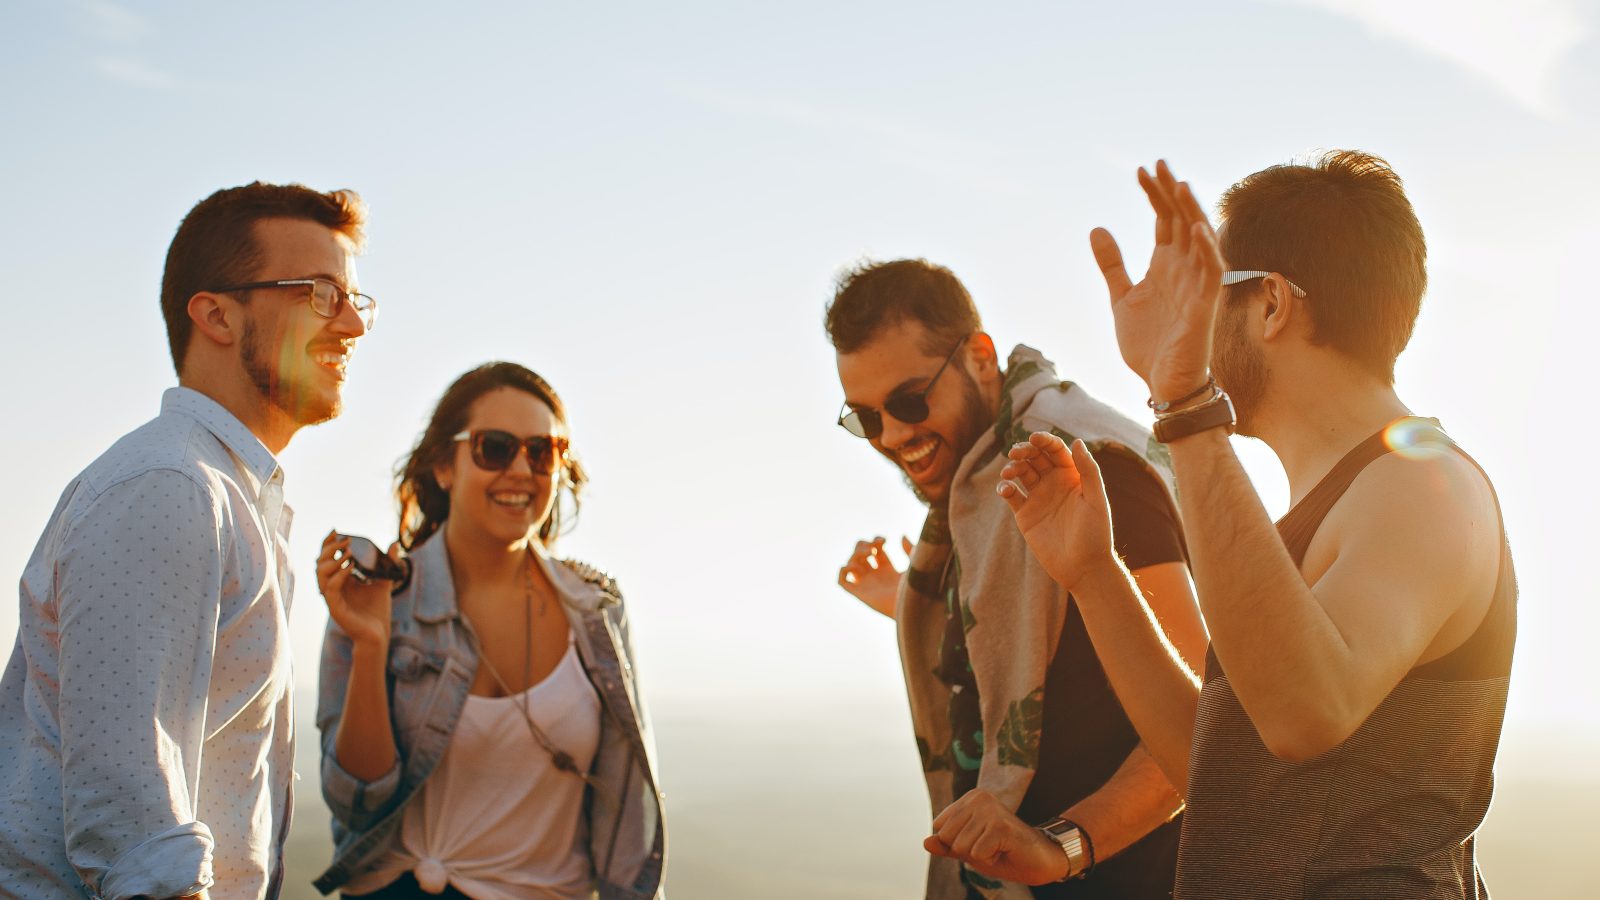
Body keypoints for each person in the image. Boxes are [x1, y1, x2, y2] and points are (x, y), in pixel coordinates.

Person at [984, 153, 1515, 897]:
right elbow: (1222, 770)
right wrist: (1095, 575)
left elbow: (1304, 713)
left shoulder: (1426, 484)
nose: (1187, 325)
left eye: (1206, 296)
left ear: (1270, 303)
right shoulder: (1330, 504)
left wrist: (1184, 402)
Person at [0, 182, 373, 898]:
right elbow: (133, 826)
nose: (352, 324)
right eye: (322, 293)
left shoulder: (231, 497)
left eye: (356, 299)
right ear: (217, 316)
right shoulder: (170, 486)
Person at [827, 260, 1206, 899]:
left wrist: (1063, 844)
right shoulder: (981, 493)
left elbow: (1204, 725)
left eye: (909, 401)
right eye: (865, 418)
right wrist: (914, 603)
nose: (892, 435)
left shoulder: (1085, 472)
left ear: (978, 358)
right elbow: (1039, 639)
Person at [312, 362, 665, 900]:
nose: (522, 469)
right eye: (495, 447)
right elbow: (356, 801)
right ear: (443, 466)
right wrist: (369, 645)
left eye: (543, 451)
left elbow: (626, 819)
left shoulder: (596, 614)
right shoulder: (381, 599)